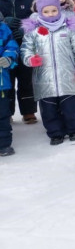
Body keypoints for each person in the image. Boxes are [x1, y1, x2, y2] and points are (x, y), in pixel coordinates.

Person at [21, 0, 75, 145]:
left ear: (59, 9)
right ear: (39, 12)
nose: (51, 14)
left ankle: (74, 129)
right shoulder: (33, 30)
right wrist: (30, 59)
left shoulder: (69, 27)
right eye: (46, 11)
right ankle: (55, 132)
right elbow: (26, 49)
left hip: (67, 76)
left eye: (53, 10)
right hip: (44, 79)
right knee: (48, 109)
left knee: (70, 106)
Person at [0, 0, 36, 124]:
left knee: (26, 79)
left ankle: (28, 111)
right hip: (5, 48)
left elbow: (35, 20)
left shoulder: (29, 0)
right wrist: (4, 21)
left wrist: (24, 28)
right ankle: (7, 112)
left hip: (24, 46)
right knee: (7, 80)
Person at [0, 16, 20, 156]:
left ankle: (3, 144)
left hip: (1, 83)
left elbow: (11, 46)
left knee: (2, 115)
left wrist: (8, 57)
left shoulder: (2, 29)